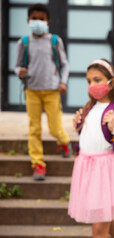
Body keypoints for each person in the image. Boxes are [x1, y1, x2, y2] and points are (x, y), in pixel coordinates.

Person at [68, 59, 114, 238]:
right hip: (86, 169)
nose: (92, 85)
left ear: (111, 81)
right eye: (89, 81)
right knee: (109, 225)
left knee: (99, 231)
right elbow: (93, 138)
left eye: (97, 79)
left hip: (104, 172)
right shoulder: (90, 107)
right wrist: (80, 127)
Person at [14, 3, 71, 181]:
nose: (38, 22)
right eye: (34, 19)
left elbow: (64, 64)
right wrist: (19, 72)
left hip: (52, 91)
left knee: (55, 127)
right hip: (32, 90)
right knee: (34, 129)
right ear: (28, 21)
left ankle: (64, 142)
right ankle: (38, 164)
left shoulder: (55, 41)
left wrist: (63, 81)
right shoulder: (23, 42)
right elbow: (17, 66)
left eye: (41, 19)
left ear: (48, 21)